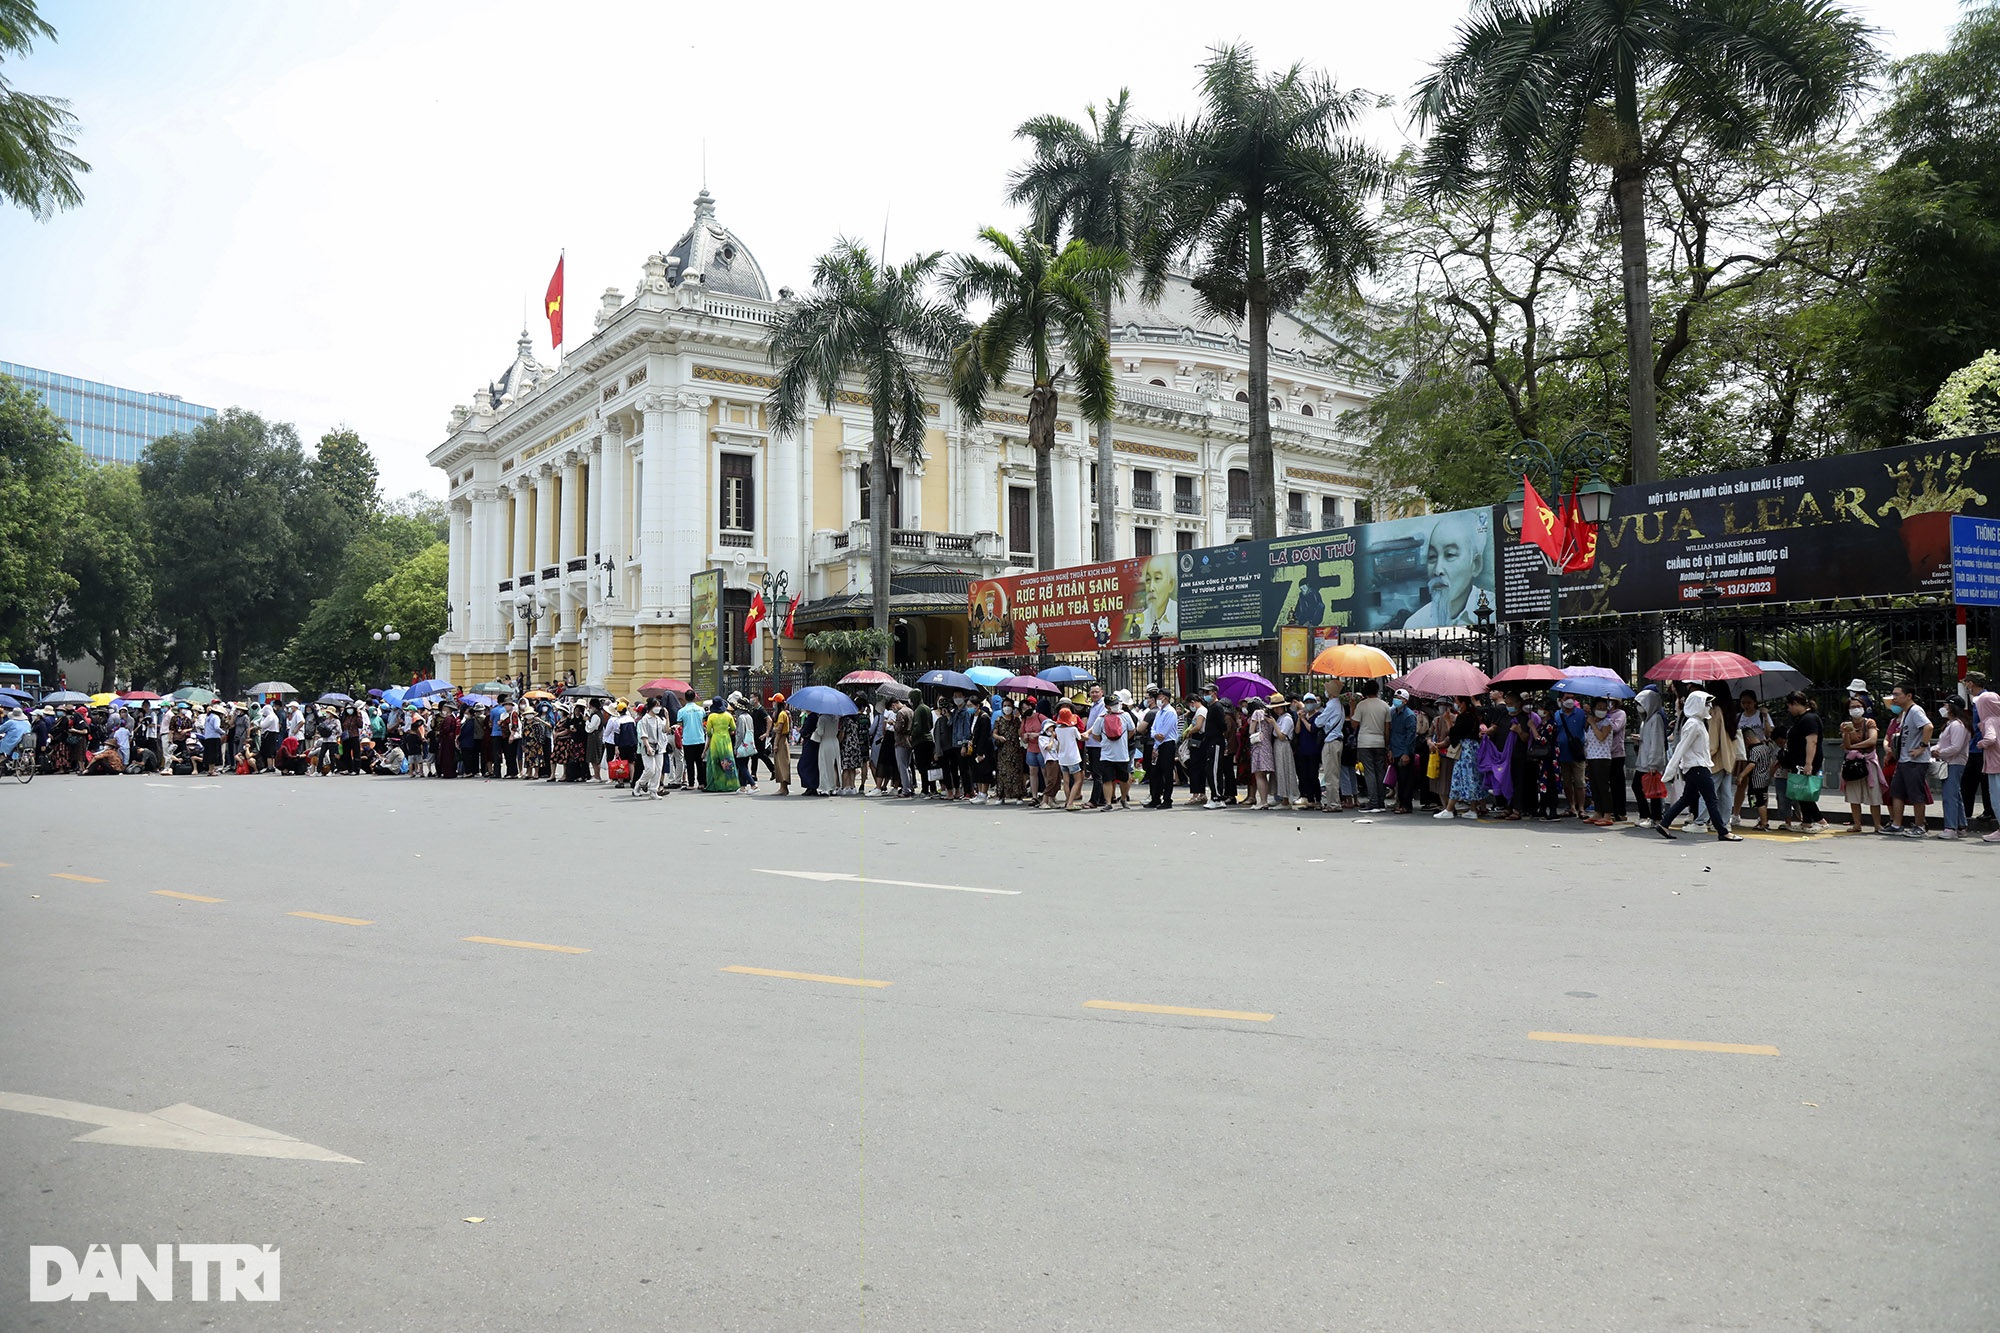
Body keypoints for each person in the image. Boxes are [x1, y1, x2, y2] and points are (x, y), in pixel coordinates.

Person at [1655, 690, 1743, 842]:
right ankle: (1723, 832)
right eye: (1706, 703)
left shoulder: (1697, 723)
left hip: (1696, 767)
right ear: (1697, 705)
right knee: (1711, 800)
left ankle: (1664, 823)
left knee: (1687, 798)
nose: (1709, 707)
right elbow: (1681, 748)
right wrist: (1670, 770)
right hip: (1697, 768)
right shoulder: (1694, 724)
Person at [1404, 509, 1492, 628]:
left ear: (1475, 564)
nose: (1437, 570)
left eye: (1450, 554)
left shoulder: (1496, 610)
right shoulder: (1415, 623)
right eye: (1432, 557)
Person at [1884, 682, 1934, 837]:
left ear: (1909, 696)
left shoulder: (1915, 711)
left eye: (1897, 694)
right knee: (1897, 792)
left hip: (1915, 761)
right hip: (1904, 759)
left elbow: (1929, 727)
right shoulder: (1905, 713)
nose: (1894, 698)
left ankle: (1920, 826)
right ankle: (1896, 824)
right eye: (1893, 694)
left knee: (1916, 794)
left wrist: (1922, 747)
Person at [1838, 694, 1885, 833]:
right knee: (1854, 795)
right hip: (1852, 763)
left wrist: (1852, 747)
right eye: (1852, 707)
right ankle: (1857, 824)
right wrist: (1846, 733)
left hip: (1868, 761)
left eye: (1858, 706)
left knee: (1874, 794)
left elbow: (1872, 741)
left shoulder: (1869, 723)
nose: (1856, 709)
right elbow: (1845, 743)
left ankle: (1877, 824)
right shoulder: (1845, 725)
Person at [1779, 692, 1827, 831]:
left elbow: (1812, 742)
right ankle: (1807, 822)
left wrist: (1808, 763)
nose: (1789, 710)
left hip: (1806, 761)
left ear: (1795, 703)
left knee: (1803, 791)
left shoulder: (1809, 719)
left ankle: (1820, 820)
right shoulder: (1802, 719)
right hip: (1799, 760)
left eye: (1789, 706)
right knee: (1801, 790)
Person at [1933, 696, 1971, 840]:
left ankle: (1950, 827)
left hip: (1954, 762)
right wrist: (1935, 749)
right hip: (1950, 761)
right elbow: (1943, 743)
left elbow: (1955, 747)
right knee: (1955, 794)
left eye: (1946, 705)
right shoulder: (1951, 724)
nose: (1943, 707)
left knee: (1950, 796)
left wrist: (1939, 752)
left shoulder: (1957, 725)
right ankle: (1961, 825)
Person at [1352, 681, 1391, 812]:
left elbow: (1354, 724)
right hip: (1379, 741)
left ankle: (1373, 802)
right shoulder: (1385, 706)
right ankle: (1380, 802)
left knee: (1369, 772)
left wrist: (1352, 707)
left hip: (1365, 742)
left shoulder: (1361, 705)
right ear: (1377, 690)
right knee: (1380, 771)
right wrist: (1386, 744)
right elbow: (1387, 729)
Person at [1971, 673, 2000, 843]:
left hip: (1995, 764)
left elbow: (1991, 738)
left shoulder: (1989, 720)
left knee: (1997, 798)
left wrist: (1981, 743)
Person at [1146, 688, 1180, 809]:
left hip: (1167, 744)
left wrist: (1156, 743)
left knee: (1167, 772)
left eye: (1159, 697)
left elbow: (1163, 733)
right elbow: (1153, 729)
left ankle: (1167, 799)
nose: (1158, 699)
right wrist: (1155, 738)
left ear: (1165, 698)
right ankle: (1155, 798)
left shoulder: (1170, 712)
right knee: (1155, 772)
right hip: (1157, 744)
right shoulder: (1160, 712)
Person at [1387, 689, 1419, 814]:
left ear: (1405, 701)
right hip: (1395, 750)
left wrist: (1406, 753)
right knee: (1399, 779)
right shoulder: (1393, 713)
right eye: (1395, 697)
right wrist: (1389, 749)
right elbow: (1392, 732)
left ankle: (1406, 805)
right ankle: (1400, 803)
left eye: (1399, 698)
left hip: (1404, 752)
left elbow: (1411, 736)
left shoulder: (1409, 715)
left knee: (1406, 780)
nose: (1396, 700)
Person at [1052, 705, 1086, 810]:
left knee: (1066, 781)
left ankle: (1068, 800)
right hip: (1073, 758)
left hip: (1062, 758)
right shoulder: (1073, 729)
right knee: (1078, 780)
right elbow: (1081, 738)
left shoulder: (1057, 730)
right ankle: (1070, 803)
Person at [993, 699, 1026, 805]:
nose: (1007, 707)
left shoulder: (1016, 721)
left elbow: (1020, 733)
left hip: (1015, 750)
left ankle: (1018, 796)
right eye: (1005, 705)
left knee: (1016, 773)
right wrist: (999, 737)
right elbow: (994, 733)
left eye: (1009, 705)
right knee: (1002, 773)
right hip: (1003, 751)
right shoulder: (999, 720)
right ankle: (1001, 796)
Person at [704, 699, 741, 792]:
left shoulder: (711, 716)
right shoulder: (728, 715)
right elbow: (733, 728)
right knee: (728, 762)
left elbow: (708, 732)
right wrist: (726, 731)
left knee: (714, 763)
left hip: (715, 740)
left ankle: (714, 786)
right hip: (726, 740)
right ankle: (731, 784)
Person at [635, 702, 670, 799]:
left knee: (658, 769)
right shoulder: (645, 720)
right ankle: (640, 783)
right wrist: (648, 746)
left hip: (659, 746)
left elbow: (666, 730)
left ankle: (653, 791)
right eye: (656, 706)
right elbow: (643, 734)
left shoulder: (658, 719)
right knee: (650, 769)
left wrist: (667, 717)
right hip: (648, 746)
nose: (658, 708)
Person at [677, 691, 705, 791]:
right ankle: (701, 783)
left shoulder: (681, 711)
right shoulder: (701, 709)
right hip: (700, 738)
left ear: (685, 698)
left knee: (689, 763)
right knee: (700, 762)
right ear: (694, 697)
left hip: (688, 740)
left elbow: (680, 725)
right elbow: (703, 722)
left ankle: (691, 783)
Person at [769, 694, 793, 795]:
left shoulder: (782, 715)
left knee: (782, 764)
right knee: (780, 764)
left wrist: (775, 744)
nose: (772, 703)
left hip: (781, 740)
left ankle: (783, 788)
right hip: (782, 740)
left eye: (774, 701)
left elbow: (778, 730)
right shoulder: (782, 714)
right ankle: (783, 787)